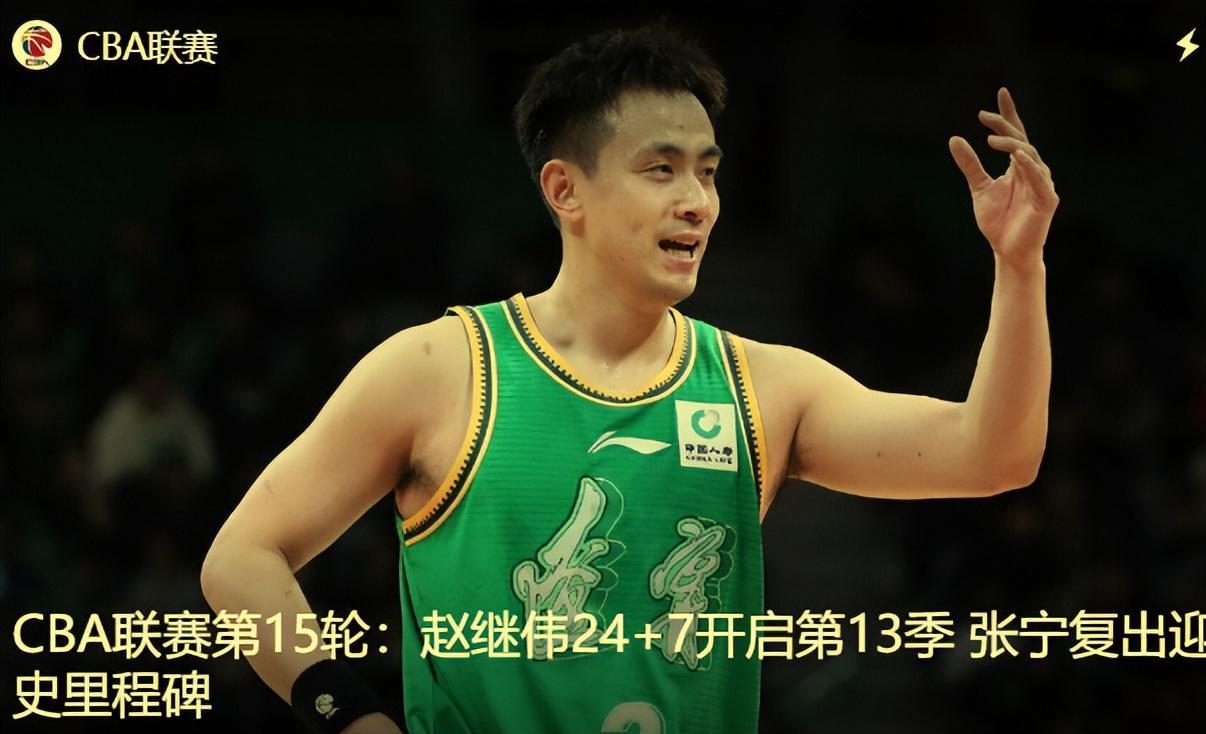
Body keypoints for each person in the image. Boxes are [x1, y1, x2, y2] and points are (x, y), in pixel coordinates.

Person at [200, 21, 1058, 734]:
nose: (697, 201)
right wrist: (351, 717)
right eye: (661, 169)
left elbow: (994, 456)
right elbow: (241, 559)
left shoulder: (764, 387)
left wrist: (1020, 270)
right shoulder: (440, 369)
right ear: (565, 190)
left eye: (708, 171)